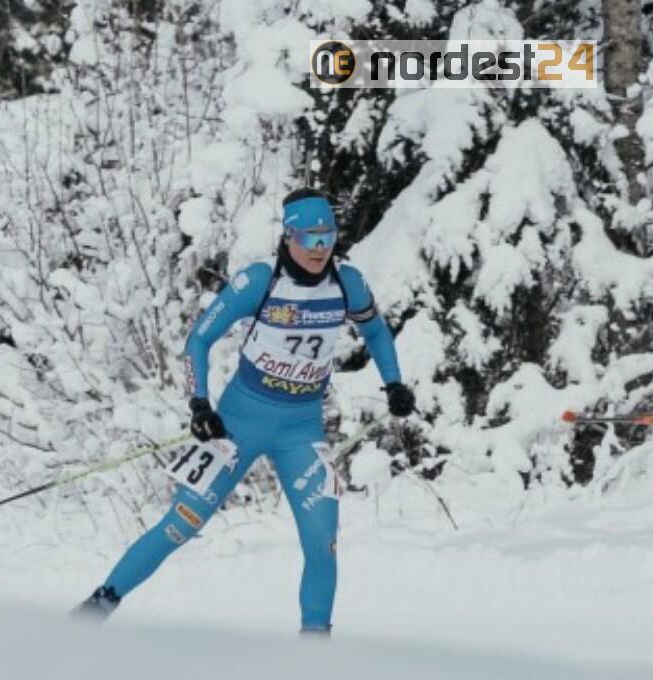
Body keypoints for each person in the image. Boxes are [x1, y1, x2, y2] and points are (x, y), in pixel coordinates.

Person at [73, 188, 414, 631]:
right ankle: (95, 609)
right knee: (181, 524)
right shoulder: (259, 281)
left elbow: (377, 333)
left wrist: (394, 383)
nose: (319, 248)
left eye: (327, 237)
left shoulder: (348, 282)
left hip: (302, 431)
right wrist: (199, 404)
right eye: (309, 238)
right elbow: (199, 338)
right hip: (237, 424)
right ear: (288, 237)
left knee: (322, 543)